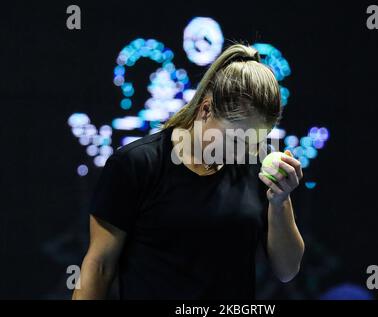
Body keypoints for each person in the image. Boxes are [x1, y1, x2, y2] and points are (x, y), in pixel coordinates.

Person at [72, 43, 305, 300]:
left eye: (256, 142)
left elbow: (287, 270)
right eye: (236, 140)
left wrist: (280, 201)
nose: (244, 153)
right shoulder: (136, 164)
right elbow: (100, 267)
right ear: (205, 110)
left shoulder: (257, 169)